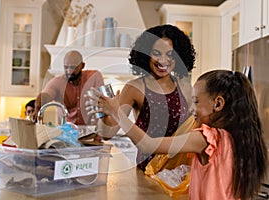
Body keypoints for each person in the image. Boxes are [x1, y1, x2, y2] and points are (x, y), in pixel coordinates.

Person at [88, 69, 267, 199]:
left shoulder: (206, 138)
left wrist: (117, 114)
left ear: (218, 104)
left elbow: (148, 145)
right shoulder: (236, 139)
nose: (191, 108)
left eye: (196, 101)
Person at [94, 24, 196, 170]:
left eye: (170, 54)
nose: (163, 60)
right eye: (156, 53)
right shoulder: (134, 88)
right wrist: (105, 112)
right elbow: (106, 134)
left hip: (179, 171)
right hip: (148, 171)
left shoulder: (185, 87)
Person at [34, 50, 104, 125]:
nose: (69, 71)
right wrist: (38, 108)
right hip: (66, 131)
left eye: (73, 67)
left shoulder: (94, 77)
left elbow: (103, 103)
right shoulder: (57, 82)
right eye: (66, 67)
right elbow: (45, 95)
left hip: (90, 130)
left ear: (82, 65)